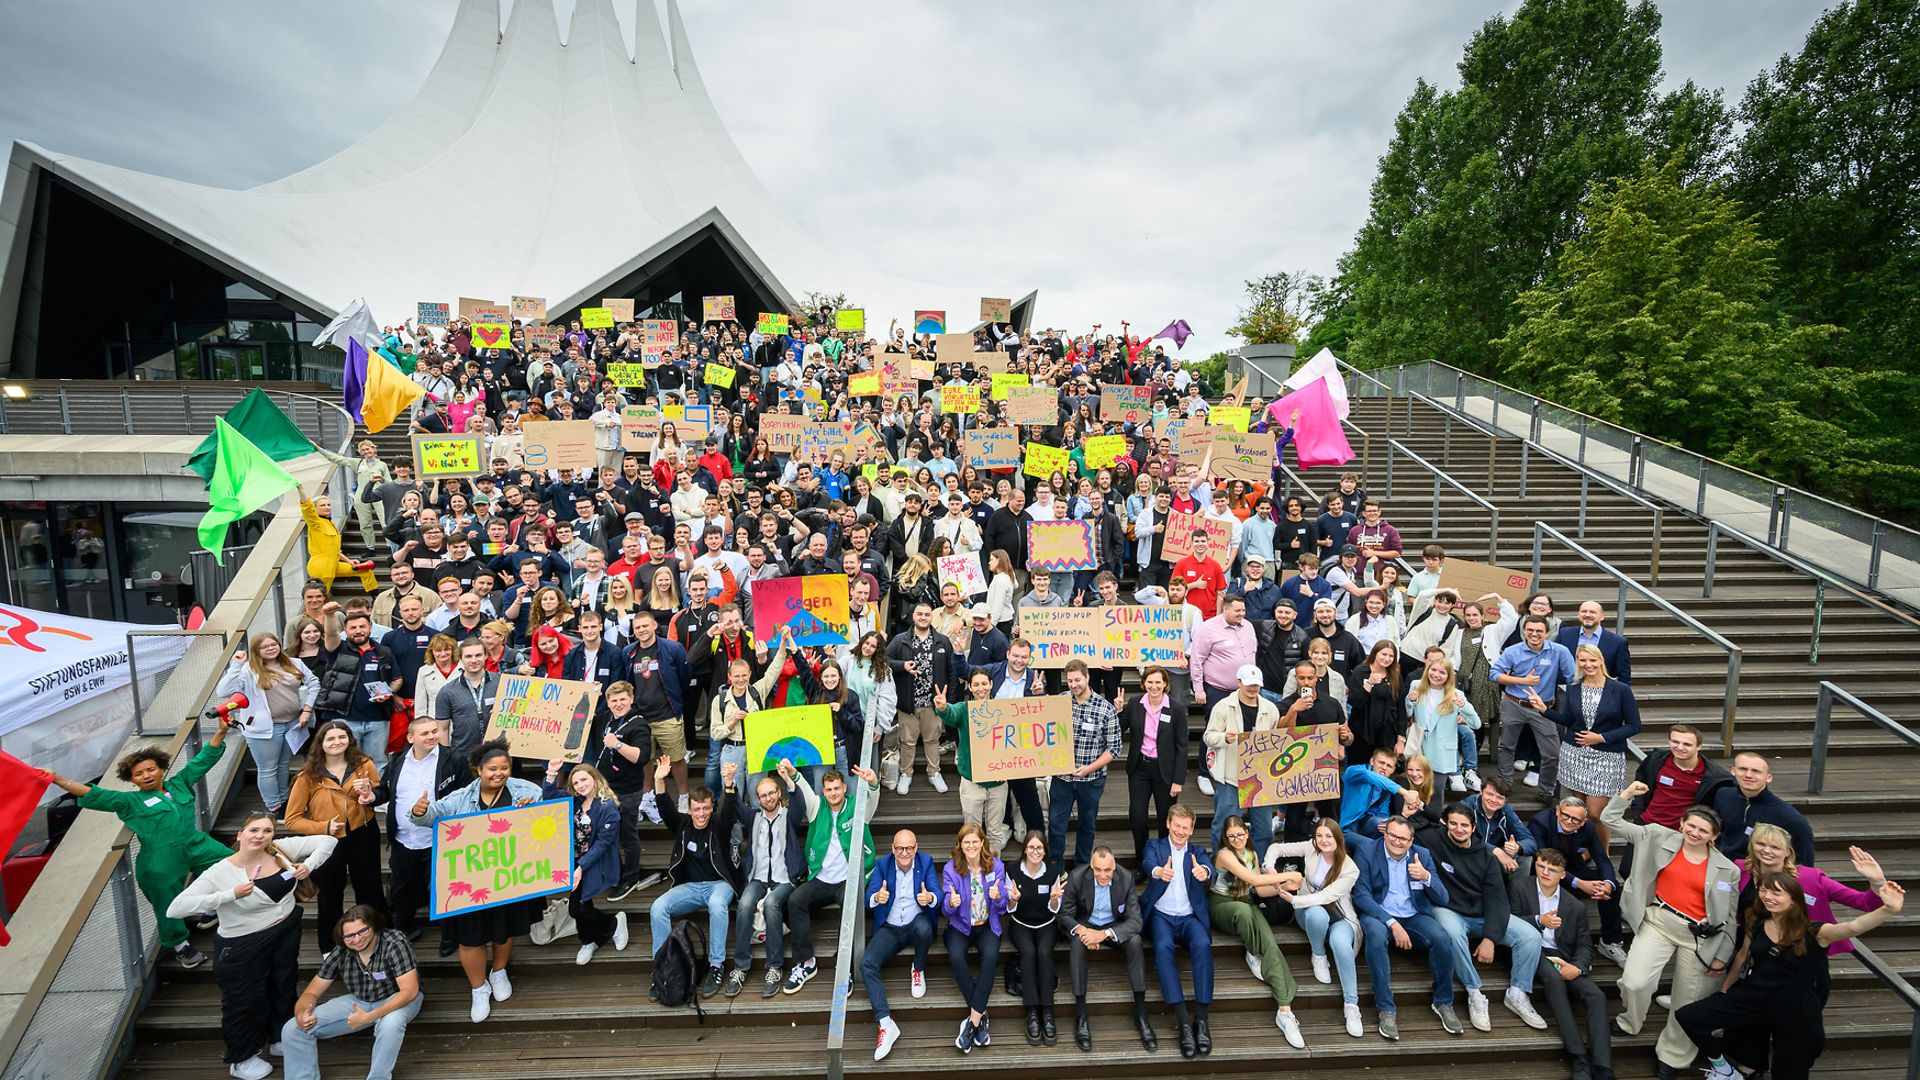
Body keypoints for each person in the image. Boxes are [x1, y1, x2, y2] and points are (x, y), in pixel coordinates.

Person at [41, 718, 237, 969]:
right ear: (131, 780)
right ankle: (180, 946)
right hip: (159, 859)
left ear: (162, 769)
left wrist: (221, 731)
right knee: (167, 902)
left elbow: (204, 759)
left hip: (195, 843)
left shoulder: (180, 783)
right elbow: (96, 795)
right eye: (138, 774)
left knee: (230, 864)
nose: (146, 775)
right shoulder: (129, 802)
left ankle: (211, 908)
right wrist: (59, 780)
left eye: (151, 769)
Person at [1675, 873, 1905, 1080]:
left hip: (1795, 1009)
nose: (1767, 896)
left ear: (1794, 899)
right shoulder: (1757, 921)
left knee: (1789, 1072)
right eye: (1763, 890)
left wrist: (1888, 909)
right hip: (1754, 997)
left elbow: (1853, 927)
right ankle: (1725, 1071)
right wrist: (1726, 986)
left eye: (1776, 892)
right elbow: (1745, 954)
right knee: (1689, 1017)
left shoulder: (1816, 932)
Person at [165, 812, 336, 1080]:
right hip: (242, 943)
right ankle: (242, 1056)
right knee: (243, 998)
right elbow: (176, 909)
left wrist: (308, 866)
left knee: (283, 983)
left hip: (285, 929)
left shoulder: (279, 850)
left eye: (267, 831)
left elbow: (328, 840)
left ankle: (281, 1037)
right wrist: (229, 895)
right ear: (239, 835)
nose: (260, 836)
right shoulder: (220, 871)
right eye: (254, 830)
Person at [1604, 781, 1741, 1080]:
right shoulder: (1655, 835)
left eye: (1703, 831)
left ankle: (1673, 1055)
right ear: (1681, 824)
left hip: (1700, 937)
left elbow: (1730, 919)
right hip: (1658, 920)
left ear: (1714, 837)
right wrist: (1626, 795)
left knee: (1687, 1002)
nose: (1695, 833)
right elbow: (1609, 821)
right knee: (1635, 981)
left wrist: (1723, 955)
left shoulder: (1728, 870)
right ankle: (1630, 1021)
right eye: (1691, 826)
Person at [407, 739, 543, 1023]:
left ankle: (500, 970)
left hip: (509, 878)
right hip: (468, 884)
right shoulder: (461, 797)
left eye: (504, 767)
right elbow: (430, 817)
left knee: (505, 929)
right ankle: (478, 988)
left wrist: (532, 812)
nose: (499, 773)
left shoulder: (527, 790)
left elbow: (543, 827)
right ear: (477, 770)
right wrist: (420, 810)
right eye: (492, 768)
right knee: (469, 938)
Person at [1418, 803, 1547, 1032]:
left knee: (1530, 936)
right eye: (1454, 824)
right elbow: (1408, 829)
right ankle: (1474, 991)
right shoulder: (1433, 840)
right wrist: (1418, 810)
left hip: (1482, 913)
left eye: (1464, 825)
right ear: (1446, 823)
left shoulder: (1486, 855)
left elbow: (1497, 899)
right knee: (1450, 932)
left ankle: (1517, 992)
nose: (1459, 829)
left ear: (1473, 827)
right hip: (1449, 909)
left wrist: (1489, 938)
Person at [280, 905, 424, 1080]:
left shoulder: (394, 942)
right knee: (292, 1029)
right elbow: (311, 992)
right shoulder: (342, 950)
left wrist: (369, 1017)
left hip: (399, 999)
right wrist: (302, 1013)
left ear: (374, 926)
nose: (357, 939)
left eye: (362, 931)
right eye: (349, 936)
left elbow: (409, 991)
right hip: (360, 1001)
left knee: (390, 1023)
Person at [1351, 815, 1463, 1039]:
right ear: (1385, 833)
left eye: (1404, 838)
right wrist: (1391, 923)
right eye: (1393, 835)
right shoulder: (1368, 850)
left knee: (1442, 939)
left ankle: (1443, 1003)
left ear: (1411, 841)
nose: (1398, 842)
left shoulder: (1422, 855)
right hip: (1380, 914)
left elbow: (1443, 898)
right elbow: (1361, 894)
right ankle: (1386, 1007)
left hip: (1414, 915)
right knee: (1374, 935)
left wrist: (1426, 877)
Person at [781, 762, 883, 994]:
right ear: (824, 791)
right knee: (796, 900)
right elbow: (804, 788)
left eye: (837, 788)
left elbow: (873, 800)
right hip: (822, 877)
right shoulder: (817, 807)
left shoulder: (857, 808)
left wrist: (873, 782)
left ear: (845, 788)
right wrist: (792, 772)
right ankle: (806, 963)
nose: (833, 793)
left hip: (849, 877)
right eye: (828, 789)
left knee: (849, 906)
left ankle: (843, 966)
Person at [285, 720, 387, 952]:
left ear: (349, 740)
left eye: (342, 737)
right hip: (327, 842)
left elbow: (380, 792)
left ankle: (378, 938)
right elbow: (292, 819)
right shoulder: (307, 776)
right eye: (330, 738)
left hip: (363, 833)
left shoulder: (364, 764)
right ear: (320, 743)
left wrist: (370, 795)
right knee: (330, 895)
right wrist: (323, 827)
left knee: (370, 889)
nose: (336, 742)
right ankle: (330, 947)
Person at [1511, 850, 1613, 1080]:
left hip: (1564, 956)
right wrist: (1539, 921)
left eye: (1552, 870)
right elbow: (1510, 920)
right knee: (1555, 980)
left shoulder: (1574, 905)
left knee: (1597, 996)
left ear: (1562, 874)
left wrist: (1576, 967)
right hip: (1532, 951)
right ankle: (1578, 1056)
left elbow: (1585, 945)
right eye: (1541, 866)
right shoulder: (1520, 888)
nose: (1545, 872)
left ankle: (1603, 1065)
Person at [1210, 815, 1307, 1048]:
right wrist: (1288, 875)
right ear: (1226, 836)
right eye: (1231, 836)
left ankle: (1285, 1010)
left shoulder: (1252, 855)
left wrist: (1285, 887)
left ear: (1247, 832)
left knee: (1271, 944)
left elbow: (1259, 891)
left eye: (1240, 835)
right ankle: (1252, 951)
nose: (1236, 840)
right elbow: (1253, 878)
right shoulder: (1224, 855)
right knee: (1243, 914)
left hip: (1247, 902)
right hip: (1222, 905)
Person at [648, 757, 739, 998]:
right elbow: (666, 808)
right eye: (697, 809)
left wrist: (729, 785)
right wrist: (659, 779)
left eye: (706, 808)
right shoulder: (683, 825)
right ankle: (662, 967)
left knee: (718, 904)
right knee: (658, 907)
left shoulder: (718, 825)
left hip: (719, 885)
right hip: (689, 887)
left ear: (711, 807)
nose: (701, 813)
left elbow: (729, 812)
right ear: (689, 809)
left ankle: (716, 965)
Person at [374, 714, 464, 951]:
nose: (432, 736)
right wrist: (372, 796)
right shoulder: (397, 760)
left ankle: (450, 936)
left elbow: (466, 795)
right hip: (404, 841)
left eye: (434, 731)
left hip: (440, 840)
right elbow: (385, 790)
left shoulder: (453, 759)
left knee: (443, 890)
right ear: (410, 737)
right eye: (425, 733)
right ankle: (403, 932)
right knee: (401, 890)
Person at [1269, 819, 1366, 1037]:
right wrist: (1269, 868)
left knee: (1340, 943)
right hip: (1310, 914)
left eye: (1328, 836)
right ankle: (1318, 954)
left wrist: (1293, 900)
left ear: (1338, 838)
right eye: (1319, 835)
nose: (1323, 841)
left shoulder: (1350, 868)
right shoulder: (1311, 848)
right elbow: (1277, 847)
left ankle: (1351, 1005)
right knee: (1316, 913)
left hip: (1340, 915)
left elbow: (1326, 896)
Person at [1057, 846, 1156, 1051]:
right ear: (1091, 866)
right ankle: (1081, 1015)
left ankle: (1141, 1013)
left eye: (1107, 870)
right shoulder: (1077, 876)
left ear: (1115, 867)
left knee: (1136, 941)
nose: (1103, 875)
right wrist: (1083, 931)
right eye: (1098, 870)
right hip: (1088, 925)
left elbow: (1136, 921)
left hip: (1113, 927)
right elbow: (1064, 914)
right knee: (1076, 943)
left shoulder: (1126, 878)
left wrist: (1103, 935)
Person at [723, 768, 809, 997]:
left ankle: (774, 967)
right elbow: (734, 807)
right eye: (763, 795)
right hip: (758, 877)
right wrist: (730, 784)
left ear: (778, 793)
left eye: (772, 793)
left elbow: (799, 804)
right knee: (744, 904)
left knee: (772, 904)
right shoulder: (753, 817)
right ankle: (740, 967)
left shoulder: (789, 815)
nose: (768, 798)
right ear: (757, 799)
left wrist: (790, 779)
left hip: (785, 879)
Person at [1739, 827, 1885, 955]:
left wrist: (1877, 881)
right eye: (1760, 844)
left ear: (1787, 852)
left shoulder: (1812, 879)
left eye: (1775, 847)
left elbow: (1865, 903)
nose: (1766, 850)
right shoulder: (1739, 870)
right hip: (1749, 947)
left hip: (1799, 952)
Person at [1142, 804, 1215, 1059]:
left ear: (1192, 829)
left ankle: (1202, 1020)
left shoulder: (1197, 851)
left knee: (1203, 945)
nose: (1181, 831)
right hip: (1161, 916)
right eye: (1177, 826)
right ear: (1168, 824)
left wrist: (1204, 872)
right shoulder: (1156, 846)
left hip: (1188, 918)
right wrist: (1158, 872)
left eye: (1186, 827)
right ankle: (1184, 1021)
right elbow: (1147, 863)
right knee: (1162, 948)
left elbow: (1210, 868)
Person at [218, 634, 319, 815]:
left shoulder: (294, 663)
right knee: (267, 768)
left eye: (274, 644)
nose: (271, 648)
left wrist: (307, 709)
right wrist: (235, 665)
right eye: (265, 647)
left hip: (293, 723)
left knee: (283, 764)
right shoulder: (248, 670)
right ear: (256, 651)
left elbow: (313, 683)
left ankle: (283, 799)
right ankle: (273, 805)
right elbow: (223, 691)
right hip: (265, 728)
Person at [864, 829, 942, 1060]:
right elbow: (869, 896)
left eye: (909, 848)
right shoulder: (883, 865)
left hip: (915, 922)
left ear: (916, 848)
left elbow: (937, 892)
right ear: (892, 849)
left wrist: (930, 899)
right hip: (890, 926)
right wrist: (877, 898)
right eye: (900, 848)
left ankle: (917, 968)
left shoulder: (925, 862)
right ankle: (886, 1024)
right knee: (867, 963)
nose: (904, 853)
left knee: (925, 928)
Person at [541, 760, 626, 965]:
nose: (580, 785)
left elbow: (603, 844)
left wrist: (581, 867)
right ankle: (587, 940)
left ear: (595, 778)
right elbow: (549, 796)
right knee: (582, 904)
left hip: (593, 862)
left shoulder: (608, 808)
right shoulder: (576, 800)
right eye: (576, 782)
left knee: (576, 909)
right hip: (575, 859)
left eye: (584, 779)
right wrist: (552, 771)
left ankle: (614, 923)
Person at [1528, 796, 1626, 967]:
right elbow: (1544, 860)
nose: (1569, 821)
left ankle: (1610, 942)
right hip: (1545, 873)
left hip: (1573, 868)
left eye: (1575, 819)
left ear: (1583, 822)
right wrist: (1579, 883)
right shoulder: (1540, 822)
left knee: (1613, 888)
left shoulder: (1588, 828)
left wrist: (1608, 884)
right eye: (1565, 815)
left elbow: (1601, 858)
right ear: (1558, 811)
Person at [1552, 644, 1640, 831]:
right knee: (1580, 811)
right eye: (1583, 660)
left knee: (1596, 813)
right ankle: (1585, 849)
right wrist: (1544, 710)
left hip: (1606, 757)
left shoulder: (1620, 689)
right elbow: (1568, 720)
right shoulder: (1574, 688)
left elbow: (1634, 725)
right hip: (1574, 754)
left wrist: (1601, 738)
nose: (1588, 664)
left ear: (1601, 661)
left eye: (1592, 660)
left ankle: (1603, 854)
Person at [941, 823, 1011, 1053]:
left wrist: (999, 897)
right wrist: (951, 904)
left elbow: (1001, 909)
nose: (971, 846)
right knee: (956, 956)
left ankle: (971, 1023)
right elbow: (945, 910)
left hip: (987, 925)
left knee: (991, 958)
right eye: (966, 842)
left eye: (975, 841)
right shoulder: (951, 869)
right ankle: (980, 1017)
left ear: (982, 843)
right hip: (961, 926)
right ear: (960, 845)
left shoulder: (996, 866)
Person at [1048, 659, 1122, 872]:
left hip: (1091, 780)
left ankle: (1081, 867)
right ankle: (1056, 868)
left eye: (1077, 679)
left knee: (1087, 825)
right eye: (1069, 680)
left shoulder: (1105, 708)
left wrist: (1089, 768)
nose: (1073, 684)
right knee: (1056, 825)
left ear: (1088, 677)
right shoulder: (1060, 701)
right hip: (1062, 778)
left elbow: (1114, 748)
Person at [1491, 614, 1576, 791]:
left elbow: (1572, 679)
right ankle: (1504, 785)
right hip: (1514, 703)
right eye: (1530, 630)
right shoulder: (1512, 651)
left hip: (1543, 708)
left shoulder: (1560, 651)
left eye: (1539, 631)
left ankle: (1546, 791)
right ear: (1524, 631)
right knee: (1506, 746)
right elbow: (1494, 674)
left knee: (1552, 753)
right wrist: (1522, 681)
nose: (1534, 634)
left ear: (1547, 633)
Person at [1200, 664, 1279, 853]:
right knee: (1224, 826)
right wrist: (1224, 738)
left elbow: (1275, 740)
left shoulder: (1271, 708)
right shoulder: (1222, 707)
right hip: (1231, 777)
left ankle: (1259, 869)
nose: (1253, 688)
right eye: (1249, 684)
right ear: (1238, 683)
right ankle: (1221, 869)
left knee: (1265, 830)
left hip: (1259, 778)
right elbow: (1208, 737)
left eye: (1256, 685)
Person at [887, 601, 960, 794]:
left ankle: (934, 772)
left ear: (931, 617)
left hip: (933, 702)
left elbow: (952, 671)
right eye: (920, 614)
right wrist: (902, 666)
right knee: (908, 741)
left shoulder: (942, 641)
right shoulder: (900, 639)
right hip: (908, 701)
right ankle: (906, 773)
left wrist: (948, 699)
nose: (923, 618)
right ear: (913, 616)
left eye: (927, 614)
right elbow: (884, 661)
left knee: (932, 739)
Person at [1697, 751, 1816, 866]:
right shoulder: (1723, 795)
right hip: (1719, 867)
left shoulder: (1790, 818)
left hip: (1759, 876)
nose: (1748, 775)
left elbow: (1804, 864)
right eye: (1742, 769)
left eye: (1756, 771)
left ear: (1768, 777)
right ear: (1733, 771)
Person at [935, 672, 1010, 854]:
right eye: (976, 685)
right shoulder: (964, 709)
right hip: (972, 782)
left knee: (995, 833)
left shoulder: (1003, 708)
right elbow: (951, 715)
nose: (980, 688)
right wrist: (943, 708)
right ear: (969, 687)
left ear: (992, 684)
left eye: (984, 683)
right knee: (971, 835)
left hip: (998, 783)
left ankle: (994, 874)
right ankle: (971, 875)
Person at [1003, 831, 1065, 1047]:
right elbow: (1009, 910)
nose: (1035, 852)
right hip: (1020, 924)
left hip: (1046, 924)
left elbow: (1054, 910)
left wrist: (1055, 899)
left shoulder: (1054, 872)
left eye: (1039, 848)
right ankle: (1031, 1011)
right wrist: (1012, 900)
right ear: (1025, 850)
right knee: (1028, 952)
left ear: (1044, 851)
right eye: (1031, 848)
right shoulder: (1012, 871)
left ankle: (1047, 1011)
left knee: (1044, 952)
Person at [1121, 665, 1186, 869]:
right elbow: (1121, 728)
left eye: (1158, 682)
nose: (1154, 686)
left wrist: (1178, 780)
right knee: (1137, 817)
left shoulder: (1175, 708)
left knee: (1165, 820)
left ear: (1165, 684)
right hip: (1140, 767)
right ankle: (1144, 862)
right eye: (1150, 682)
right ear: (1144, 683)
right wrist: (1118, 710)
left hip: (1165, 771)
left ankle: (1165, 862)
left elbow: (1182, 747)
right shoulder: (1134, 703)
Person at [299, 482, 378, 594]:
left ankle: (376, 600)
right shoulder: (315, 523)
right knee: (320, 595)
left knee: (365, 571)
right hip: (322, 565)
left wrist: (349, 561)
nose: (327, 507)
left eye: (328, 505)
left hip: (335, 563)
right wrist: (300, 490)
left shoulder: (329, 523)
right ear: (315, 508)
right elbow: (307, 509)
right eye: (322, 505)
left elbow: (335, 551)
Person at [1555, 599, 1632, 682]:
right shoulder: (1564, 634)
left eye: (1592, 612)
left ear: (1602, 616)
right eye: (1584, 611)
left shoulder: (1617, 642)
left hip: (1602, 691)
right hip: (1568, 690)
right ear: (1578, 615)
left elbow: (1624, 677)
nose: (1587, 615)